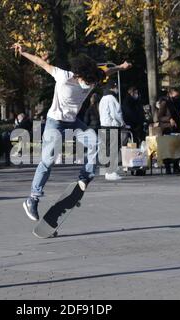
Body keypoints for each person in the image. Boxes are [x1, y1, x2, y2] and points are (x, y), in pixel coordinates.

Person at [12, 42, 132, 221]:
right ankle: (33, 199)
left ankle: (84, 177)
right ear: (78, 75)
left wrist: (121, 67)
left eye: (91, 83)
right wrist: (24, 53)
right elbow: (41, 63)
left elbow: (106, 72)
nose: (88, 86)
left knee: (96, 143)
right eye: (86, 82)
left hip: (74, 122)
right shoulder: (63, 76)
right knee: (47, 161)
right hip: (55, 122)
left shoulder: (94, 77)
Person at [99, 80, 126, 181]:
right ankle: (112, 172)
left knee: (107, 149)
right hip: (112, 126)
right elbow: (116, 113)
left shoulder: (103, 99)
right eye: (116, 87)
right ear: (112, 88)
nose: (117, 89)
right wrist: (122, 123)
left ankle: (107, 171)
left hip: (104, 126)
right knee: (114, 149)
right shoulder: (112, 99)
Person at [156, 97, 180, 175]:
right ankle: (168, 168)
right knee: (167, 149)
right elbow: (160, 117)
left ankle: (176, 167)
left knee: (176, 148)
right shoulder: (165, 103)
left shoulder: (176, 103)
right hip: (166, 129)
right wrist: (169, 119)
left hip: (175, 129)